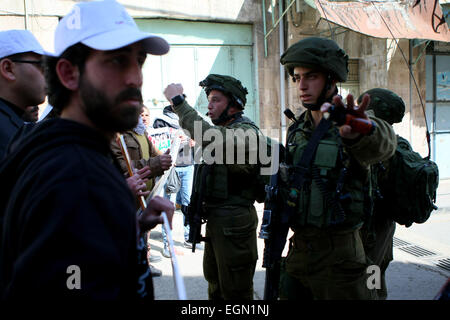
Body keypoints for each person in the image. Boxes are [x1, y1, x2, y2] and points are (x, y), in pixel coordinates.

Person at [0, 0, 174, 300]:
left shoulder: (57, 150)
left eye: (139, 60)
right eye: (118, 61)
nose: (136, 77)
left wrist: (126, 226)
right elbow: (73, 284)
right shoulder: (77, 176)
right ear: (68, 74)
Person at [277, 37, 397, 300]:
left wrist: (360, 134)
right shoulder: (297, 129)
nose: (302, 85)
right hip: (298, 252)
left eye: (311, 76)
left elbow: (385, 143)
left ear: (332, 79)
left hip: (341, 259)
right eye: (297, 78)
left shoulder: (352, 122)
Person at [163, 74, 269, 300]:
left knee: (236, 292)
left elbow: (208, 136)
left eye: (216, 100)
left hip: (235, 224)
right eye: (208, 100)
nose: (209, 106)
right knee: (216, 285)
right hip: (218, 221)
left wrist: (179, 103)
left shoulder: (247, 133)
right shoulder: (228, 131)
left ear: (234, 104)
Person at [357, 88, 405, 300]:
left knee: (369, 273)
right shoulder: (397, 142)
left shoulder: (376, 144)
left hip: (370, 226)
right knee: (377, 268)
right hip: (385, 224)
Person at [110, 112, 172, 275]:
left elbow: (153, 155)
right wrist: (156, 164)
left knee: (142, 237)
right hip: (127, 198)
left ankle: (143, 266)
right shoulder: (117, 132)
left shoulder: (141, 131)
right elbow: (121, 166)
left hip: (145, 196)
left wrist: (164, 158)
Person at [153, 104, 196, 257]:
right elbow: (158, 143)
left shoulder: (188, 119)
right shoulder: (161, 121)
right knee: (168, 205)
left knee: (187, 203)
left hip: (188, 165)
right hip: (171, 167)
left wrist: (192, 141)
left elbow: (196, 139)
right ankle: (168, 244)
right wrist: (175, 141)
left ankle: (189, 237)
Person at [0, 29, 46, 160]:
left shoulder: (12, 123)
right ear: (8, 69)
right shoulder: (6, 134)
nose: (47, 74)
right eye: (41, 65)